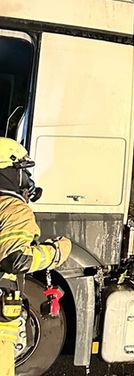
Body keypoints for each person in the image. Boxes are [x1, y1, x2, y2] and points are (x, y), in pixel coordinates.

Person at [0, 137, 71, 375]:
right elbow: (18, 259)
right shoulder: (12, 208)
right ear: (9, 171)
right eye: (22, 170)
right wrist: (55, 252)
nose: (27, 180)